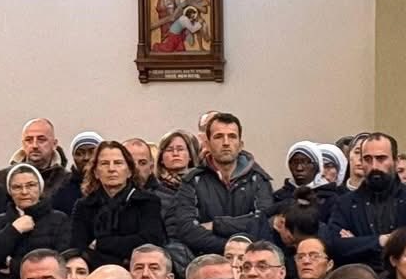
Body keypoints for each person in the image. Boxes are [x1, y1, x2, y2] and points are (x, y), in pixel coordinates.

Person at [176, 112, 278, 257]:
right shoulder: (192, 180)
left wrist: (216, 225)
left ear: (240, 145)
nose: (226, 142)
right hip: (207, 259)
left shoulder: (258, 179)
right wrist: (230, 248)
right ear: (207, 144)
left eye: (232, 136)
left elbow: (263, 222)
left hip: (250, 260)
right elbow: (187, 230)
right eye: (218, 136)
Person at [68, 141, 166, 269]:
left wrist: (101, 244)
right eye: (104, 163)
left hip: (136, 270)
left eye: (118, 163)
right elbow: (78, 248)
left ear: (129, 171)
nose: (111, 169)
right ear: (96, 172)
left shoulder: (148, 202)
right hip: (95, 272)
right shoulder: (84, 206)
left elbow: (149, 242)